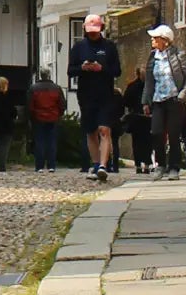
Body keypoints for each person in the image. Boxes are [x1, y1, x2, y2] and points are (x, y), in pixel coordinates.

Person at [67, 13, 122, 182]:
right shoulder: (78, 48)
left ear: (101, 29)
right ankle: (96, 163)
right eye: (90, 31)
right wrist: (83, 68)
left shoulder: (109, 47)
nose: (92, 34)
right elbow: (70, 71)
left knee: (105, 130)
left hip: (105, 94)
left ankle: (104, 165)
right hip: (86, 94)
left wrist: (101, 68)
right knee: (90, 131)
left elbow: (117, 71)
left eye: (95, 31)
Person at [146, 24, 186, 178]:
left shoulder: (179, 55)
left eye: (156, 38)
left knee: (174, 134)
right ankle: (160, 165)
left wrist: (182, 96)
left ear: (165, 40)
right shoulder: (152, 57)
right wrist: (146, 101)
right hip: (158, 99)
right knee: (156, 132)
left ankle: (174, 167)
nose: (153, 40)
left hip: (174, 99)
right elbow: (149, 81)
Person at [27, 68, 66, 171]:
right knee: (51, 142)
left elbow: (30, 105)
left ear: (40, 75)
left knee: (39, 142)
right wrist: (58, 115)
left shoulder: (34, 88)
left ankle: (39, 166)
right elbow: (62, 105)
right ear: (49, 75)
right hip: (53, 118)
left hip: (38, 118)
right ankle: (51, 165)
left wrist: (32, 117)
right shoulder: (57, 88)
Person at [122, 66, 153, 174]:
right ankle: (147, 164)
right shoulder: (151, 86)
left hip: (136, 117)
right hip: (147, 118)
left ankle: (139, 164)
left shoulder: (132, 87)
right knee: (148, 142)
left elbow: (125, 101)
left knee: (137, 143)